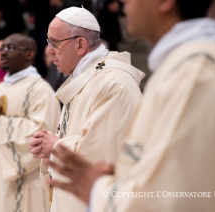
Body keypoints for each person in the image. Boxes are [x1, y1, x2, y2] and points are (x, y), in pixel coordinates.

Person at [45, 0, 215, 211]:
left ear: (166, 2)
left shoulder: (196, 74)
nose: (123, 2)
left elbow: (175, 197)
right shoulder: (186, 66)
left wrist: (99, 190)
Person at [28, 6, 145, 212]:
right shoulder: (86, 78)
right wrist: (50, 150)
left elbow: (104, 155)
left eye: (54, 42)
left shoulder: (113, 82)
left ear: (80, 44)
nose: (49, 50)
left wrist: (56, 146)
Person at [0, 33, 61, 212]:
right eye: (1, 48)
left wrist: (0, 120)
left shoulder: (41, 90)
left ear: (29, 54)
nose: (2, 53)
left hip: (23, 179)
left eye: (10, 48)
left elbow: (42, 134)